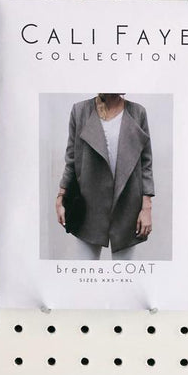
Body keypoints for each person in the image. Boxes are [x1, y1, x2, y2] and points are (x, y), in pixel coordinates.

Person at [56, 94, 155, 260]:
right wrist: (61, 197)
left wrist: (147, 209)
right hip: (88, 207)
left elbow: (146, 164)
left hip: (127, 207)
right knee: (85, 270)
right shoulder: (80, 111)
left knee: (124, 272)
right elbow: (71, 160)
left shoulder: (138, 113)